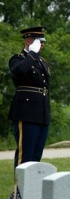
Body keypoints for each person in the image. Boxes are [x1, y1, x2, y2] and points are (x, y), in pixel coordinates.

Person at [8, 26, 51, 168]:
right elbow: (19, 71)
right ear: (28, 41)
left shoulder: (41, 62)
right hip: (26, 112)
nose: (42, 45)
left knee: (36, 156)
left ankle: (32, 189)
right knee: (24, 154)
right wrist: (32, 53)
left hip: (41, 112)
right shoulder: (17, 59)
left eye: (43, 42)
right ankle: (18, 190)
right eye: (39, 42)